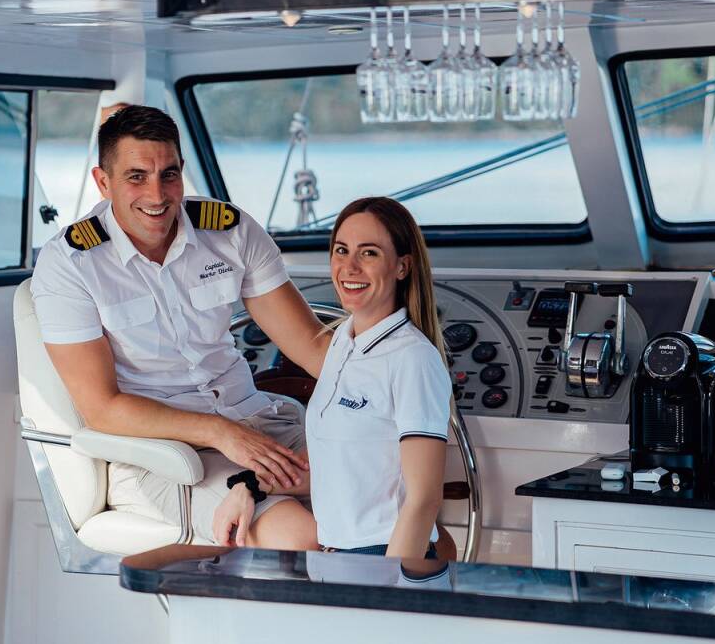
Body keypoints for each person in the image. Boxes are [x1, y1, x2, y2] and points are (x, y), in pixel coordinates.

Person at [30, 104, 328, 549]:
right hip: (164, 454)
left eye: (168, 174)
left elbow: (312, 346)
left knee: (401, 491)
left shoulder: (229, 232)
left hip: (258, 423)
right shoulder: (71, 263)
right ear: (103, 182)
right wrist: (221, 433)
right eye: (136, 177)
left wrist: (393, 381)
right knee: (301, 535)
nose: (157, 195)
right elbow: (102, 409)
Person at [213, 197, 451, 559]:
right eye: (341, 250)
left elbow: (423, 499)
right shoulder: (342, 342)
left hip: (382, 557)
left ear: (402, 266)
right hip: (335, 555)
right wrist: (248, 487)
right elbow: (331, 466)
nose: (349, 267)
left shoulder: (413, 358)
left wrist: (387, 582)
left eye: (368, 253)